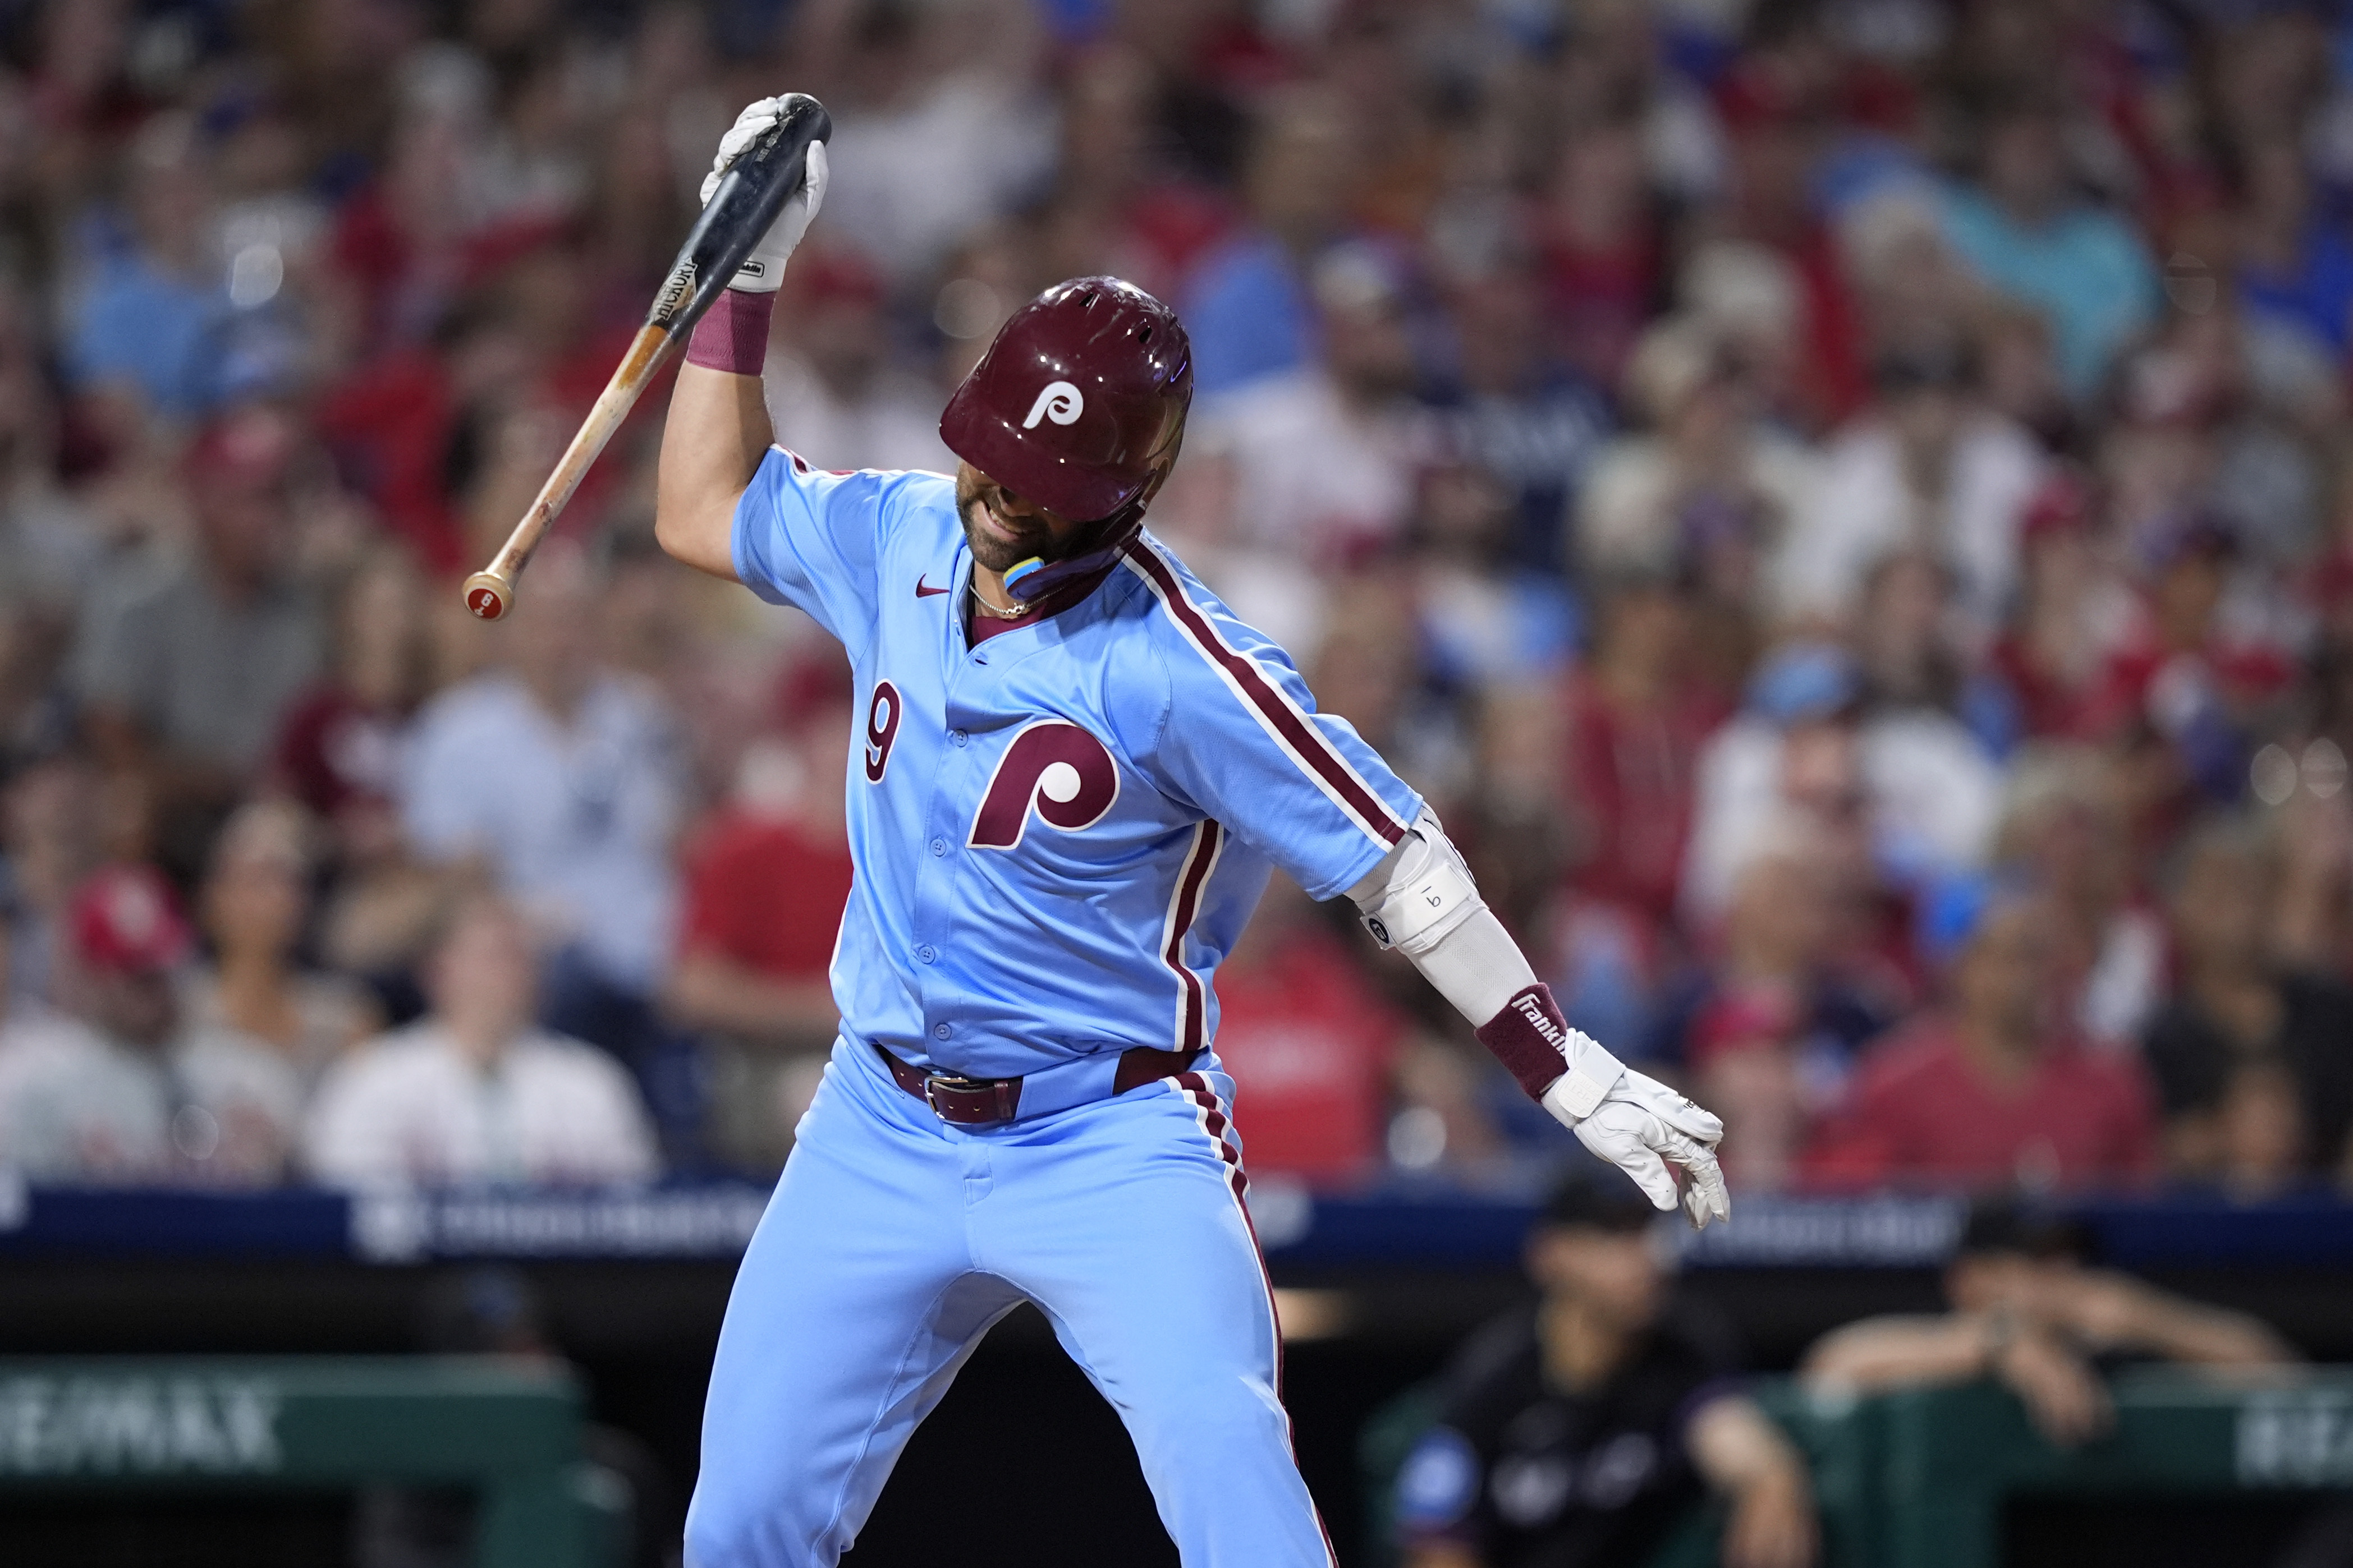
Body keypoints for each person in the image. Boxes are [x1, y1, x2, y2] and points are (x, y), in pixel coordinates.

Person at [652, 102, 1728, 1568]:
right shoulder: (900, 528)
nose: (992, 504)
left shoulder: (1186, 666)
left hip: (1111, 1132)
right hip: (878, 1118)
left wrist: (1566, 1067)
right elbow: (703, 508)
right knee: (740, 1530)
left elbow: (1398, 860)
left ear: (1121, 494)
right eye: (988, 465)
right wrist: (745, 280)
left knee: (1244, 1512)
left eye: (1034, 492)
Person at [1395, 1170, 1815, 1568]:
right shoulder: (1492, 1377)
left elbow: (1727, 1432)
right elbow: (1438, 1542)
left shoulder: (1682, 1344)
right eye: (1614, 1234)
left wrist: (1767, 1476)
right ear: (1551, 1255)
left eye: (1647, 1231)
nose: (1646, 1255)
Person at [1800, 1198, 2293, 1447]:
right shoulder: (1938, 1349)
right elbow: (1830, 1367)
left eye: (2067, 1257)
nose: (2059, 1276)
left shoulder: (2108, 1347)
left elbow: (2285, 1378)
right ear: (1968, 1280)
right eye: (2032, 1258)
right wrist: (1996, 1343)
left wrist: (2150, 1318)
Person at [1805, 887, 2158, 1192]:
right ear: (1959, 967)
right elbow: (1861, 1218)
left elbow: (2139, 1212)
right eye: (2012, 956)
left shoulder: (2111, 1081)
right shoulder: (1894, 1082)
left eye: (2043, 958)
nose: (2030, 976)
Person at [302, 893, 659, 1187]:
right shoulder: (374, 1077)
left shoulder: (590, 1081)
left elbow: (634, 1206)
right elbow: (345, 1202)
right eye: (492, 955)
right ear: (437, 971)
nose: (509, 972)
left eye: (521, 956)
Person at [0, 864, 301, 1184]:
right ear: (89, 974)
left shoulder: (249, 1075)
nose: (158, 986)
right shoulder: (36, 1081)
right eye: (135, 973)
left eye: (164, 965)